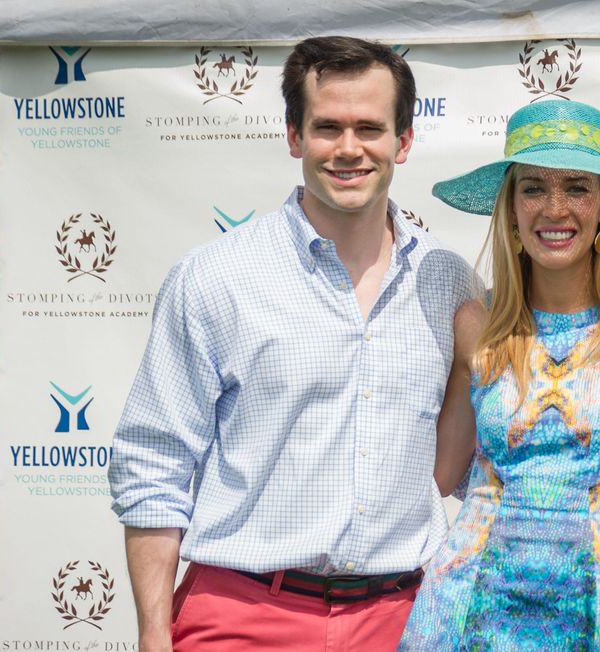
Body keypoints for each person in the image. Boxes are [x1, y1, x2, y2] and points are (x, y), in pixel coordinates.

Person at [108, 36, 474, 651]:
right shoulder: (216, 277)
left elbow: (459, 464)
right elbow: (154, 463)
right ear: (294, 136)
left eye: (370, 128)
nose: (349, 149)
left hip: (405, 620)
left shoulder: (452, 284)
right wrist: (152, 631)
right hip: (241, 616)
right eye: (327, 127)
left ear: (404, 142)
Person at [399, 99, 600, 650]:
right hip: (467, 608)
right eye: (533, 188)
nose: (554, 208)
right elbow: (442, 475)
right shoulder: (476, 324)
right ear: (510, 208)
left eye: (577, 186)